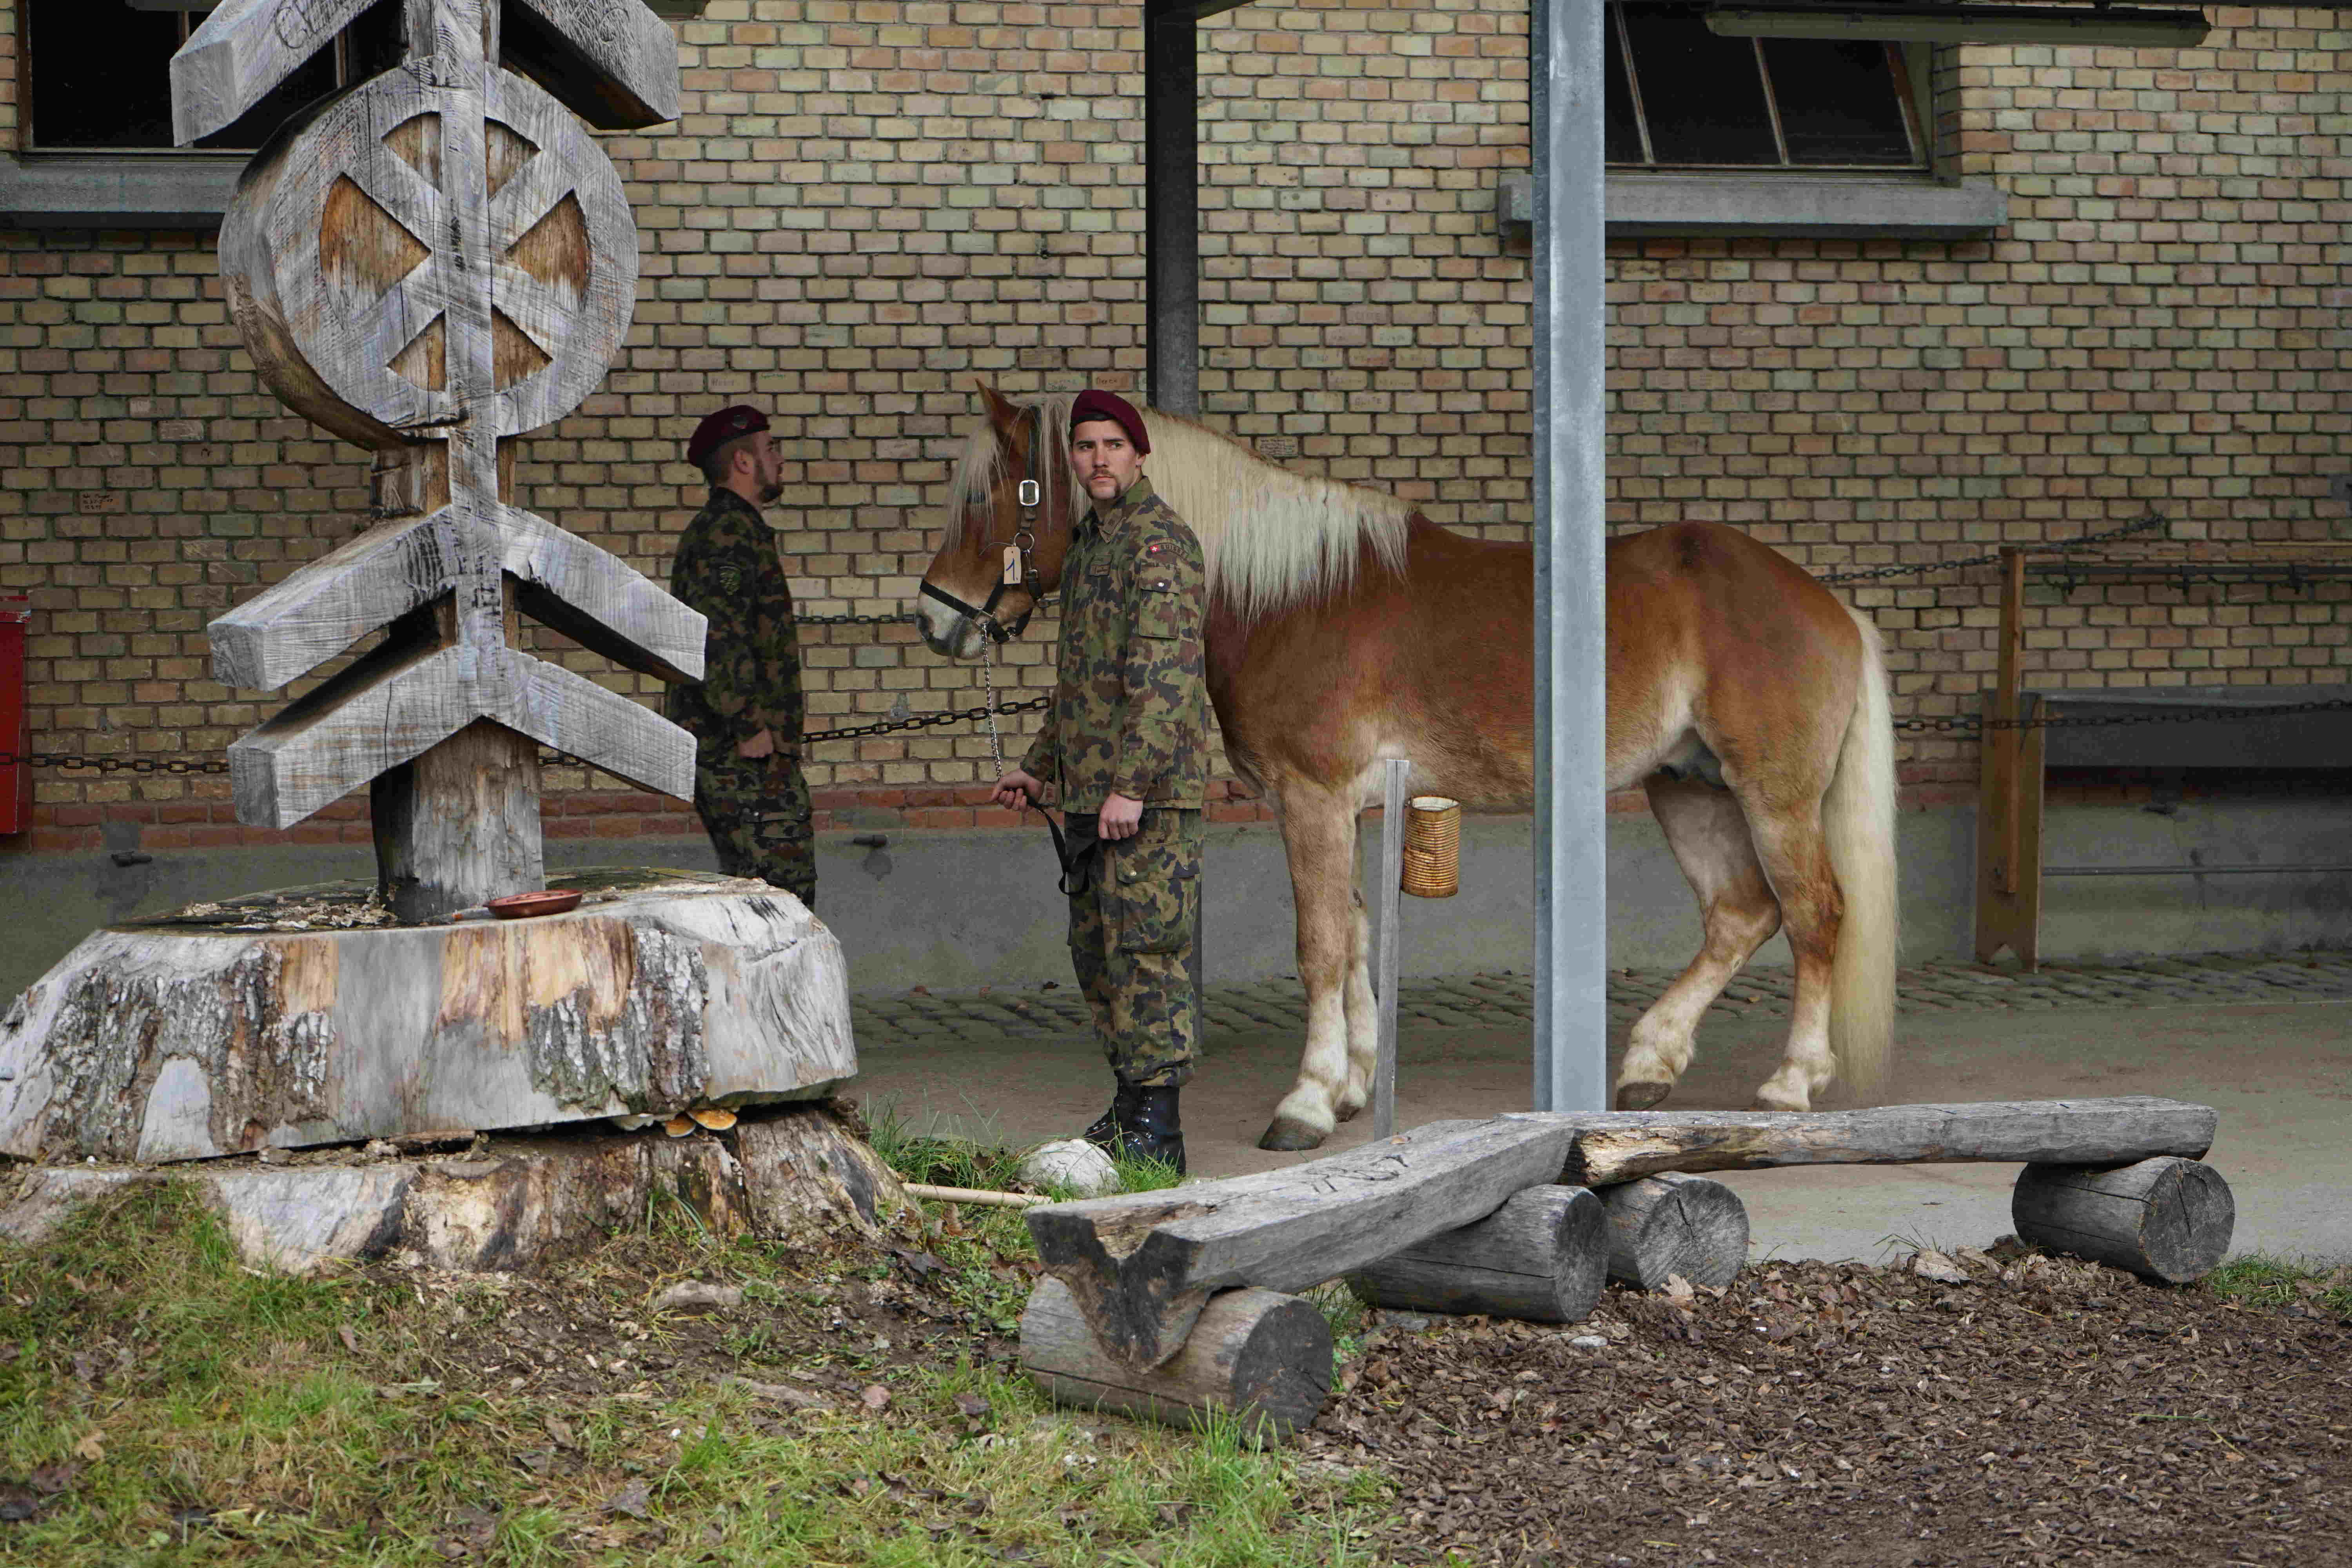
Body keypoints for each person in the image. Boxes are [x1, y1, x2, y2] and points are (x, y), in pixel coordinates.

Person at [993, 390, 1209, 1172]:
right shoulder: (1090, 546)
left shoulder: (1159, 545)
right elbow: (1083, 683)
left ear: (1140, 454)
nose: (1099, 459)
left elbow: (1165, 678)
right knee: (1101, 956)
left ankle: (1161, 1127)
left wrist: (1133, 786)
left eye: (1114, 444)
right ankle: (1129, 1106)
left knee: (1149, 955)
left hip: (1144, 800)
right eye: (1086, 446)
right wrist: (1040, 766)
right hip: (1093, 794)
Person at [667, 404, 815, 908]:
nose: (781, 460)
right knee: (774, 896)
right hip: (740, 754)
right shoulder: (725, 535)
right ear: (744, 463)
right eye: (771, 449)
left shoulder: (740, 529)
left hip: (754, 750)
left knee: (777, 890)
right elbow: (716, 636)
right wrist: (748, 723)